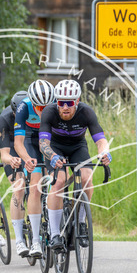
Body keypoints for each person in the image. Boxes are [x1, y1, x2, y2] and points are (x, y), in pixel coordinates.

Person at [39, 78, 112, 250]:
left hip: (77, 147)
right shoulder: (49, 112)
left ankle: (80, 222)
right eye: (61, 103)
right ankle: (55, 234)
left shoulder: (86, 112)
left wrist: (104, 152)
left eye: (69, 103)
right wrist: (52, 156)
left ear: (77, 101)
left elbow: (100, 140)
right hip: (55, 147)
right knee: (59, 181)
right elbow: (43, 144)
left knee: (87, 178)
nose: (65, 107)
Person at [14, 79, 55, 258]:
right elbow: (18, 142)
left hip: (51, 139)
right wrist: (27, 159)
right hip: (31, 140)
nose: (42, 111)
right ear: (32, 102)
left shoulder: (57, 104)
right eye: (38, 107)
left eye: (46, 107)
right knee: (35, 186)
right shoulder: (23, 107)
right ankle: (36, 241)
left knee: (58, 180)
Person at [0, 90, 29, 257]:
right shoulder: (4, 118)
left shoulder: (36, 113)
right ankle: (19, 240)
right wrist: (12, 160)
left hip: (28, 145)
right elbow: (3, 154)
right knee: (19, 187)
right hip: (11, 149)